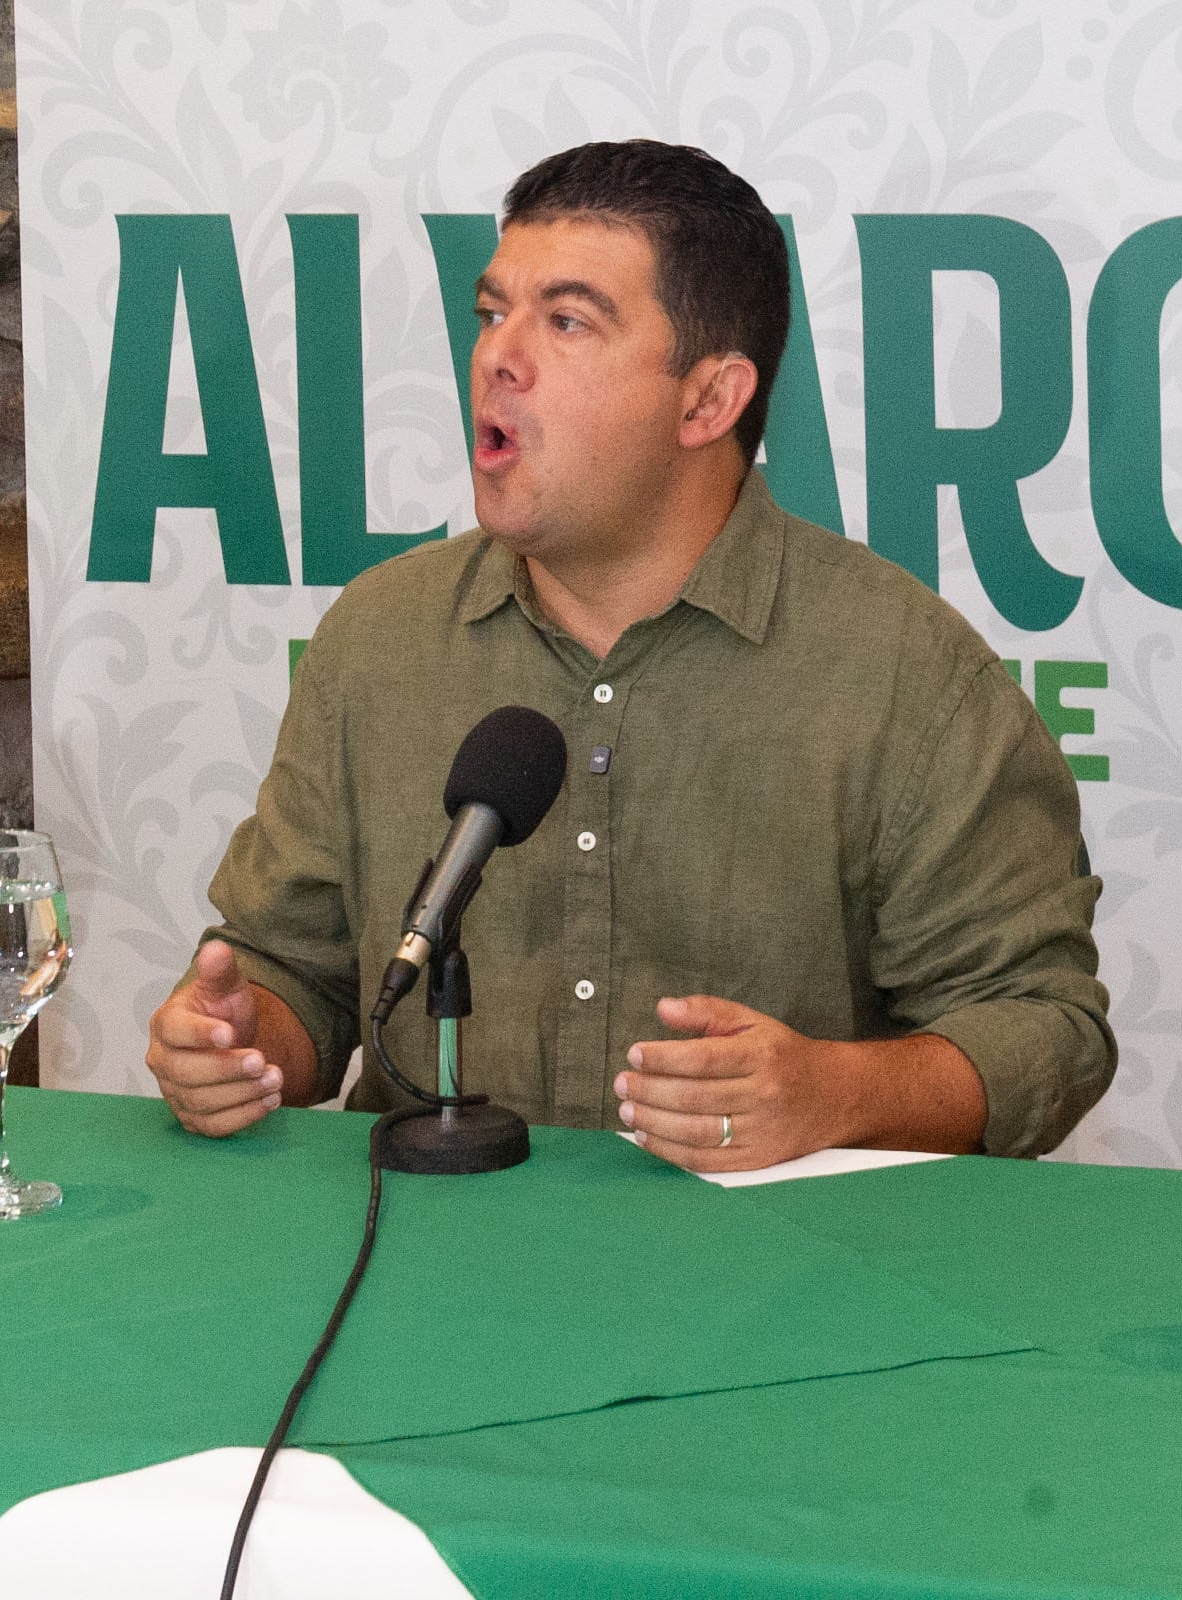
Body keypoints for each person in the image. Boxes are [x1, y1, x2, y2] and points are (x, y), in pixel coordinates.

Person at [147, 141, 1113, 1170]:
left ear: (706, 401)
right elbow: (293, 972)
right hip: (426, 1267)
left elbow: (1041, 1027)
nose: (496, 357)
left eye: (565, 321)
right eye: (490, 312)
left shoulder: (901, 671)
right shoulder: (377, 638)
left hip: (785, 1286)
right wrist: (241, 1044)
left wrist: (833, 1092)